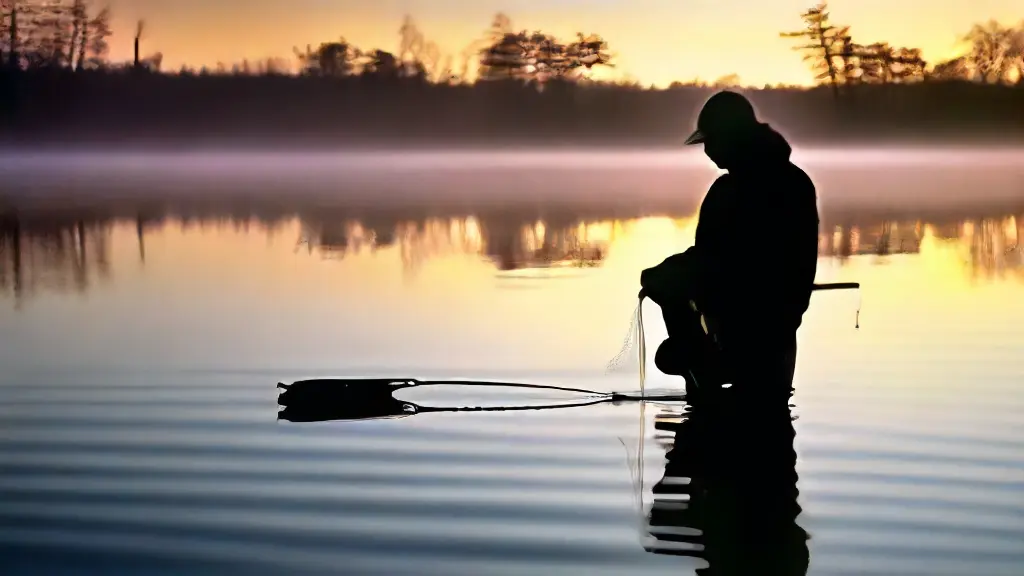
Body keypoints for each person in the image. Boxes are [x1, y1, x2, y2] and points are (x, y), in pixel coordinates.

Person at [640, 90, 819, 402]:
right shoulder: (795, 182)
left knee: (718, 428)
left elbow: (727, 261)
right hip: (779, 330)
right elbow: (720, 255)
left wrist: (672, 275)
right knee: (769, 431)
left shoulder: (735, 191)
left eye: (711, 141)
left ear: (732, 139)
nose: (707, 150)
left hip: (747, 333)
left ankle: (701, 376)